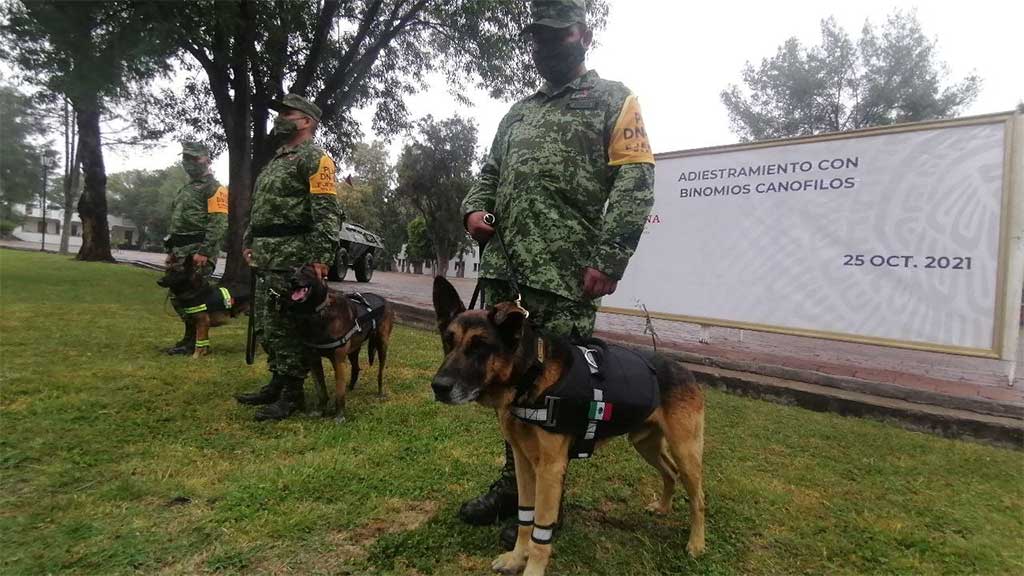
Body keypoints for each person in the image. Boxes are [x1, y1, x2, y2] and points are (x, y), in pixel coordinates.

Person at [458, 0, 656, 550]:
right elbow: (489, 173)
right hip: (506, 272)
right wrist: (474, 210)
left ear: (582, 34)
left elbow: (636, 183)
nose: (544, 47)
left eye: (555, 35)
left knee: (557, 392)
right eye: (536, 38)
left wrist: (610, 258)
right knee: (508, 387)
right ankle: (512, 485)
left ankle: (550, 502)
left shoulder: (615, 100)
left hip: (566, 276)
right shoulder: (516, 113)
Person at [234, 94, 344, 421]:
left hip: (293, 260)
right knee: (268, 327)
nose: (280, 119)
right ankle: (277, 382)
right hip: (267, 257)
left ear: (307, 121)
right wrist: (248, 239)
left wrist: (320, 258)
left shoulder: (315, 159)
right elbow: (261, 207)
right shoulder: (277, 160)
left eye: (288, 114)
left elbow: (326, 214)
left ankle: (293, 394)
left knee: (287, 327)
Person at [164, 141, 229, 355]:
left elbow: (218, 222)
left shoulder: (214, 188)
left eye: (194, 158)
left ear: (207, 160)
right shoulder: (187, 188)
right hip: (180, 251)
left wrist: (205, 251)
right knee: (178, 296)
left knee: (194, 297)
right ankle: (189, 336)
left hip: (197, 252)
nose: (189, 163)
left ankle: (196, 341)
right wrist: (172, 250)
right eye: (185, 158)